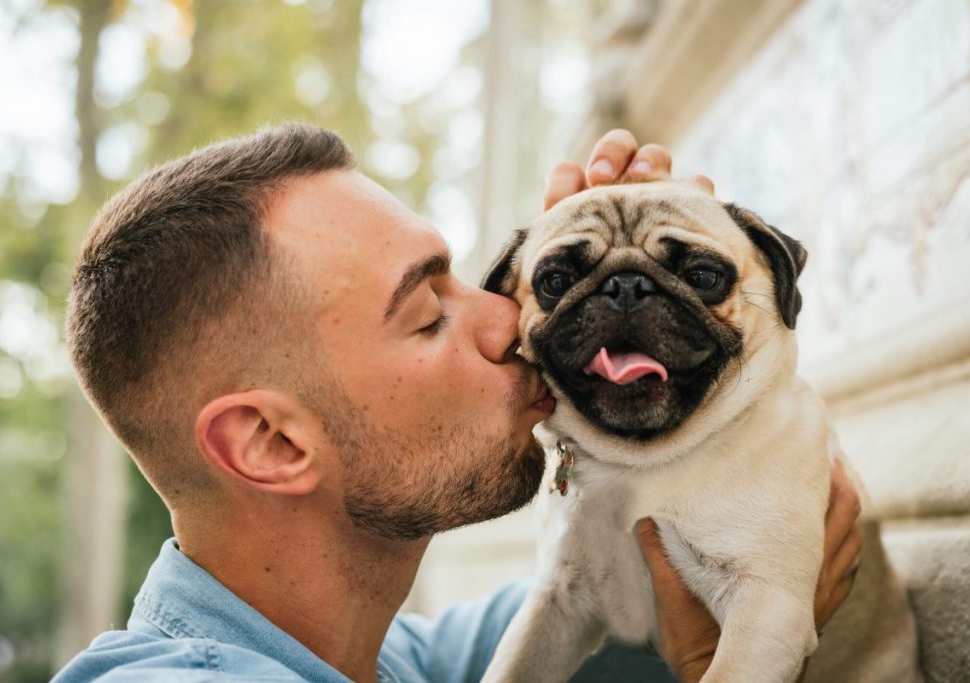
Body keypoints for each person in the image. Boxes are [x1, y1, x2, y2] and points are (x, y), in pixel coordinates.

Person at [54, 124, 862, 683]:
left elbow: (602, 583)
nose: (510, 319)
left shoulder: (390, 655)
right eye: (430, 314)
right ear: (271, 442)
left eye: (489, 280)